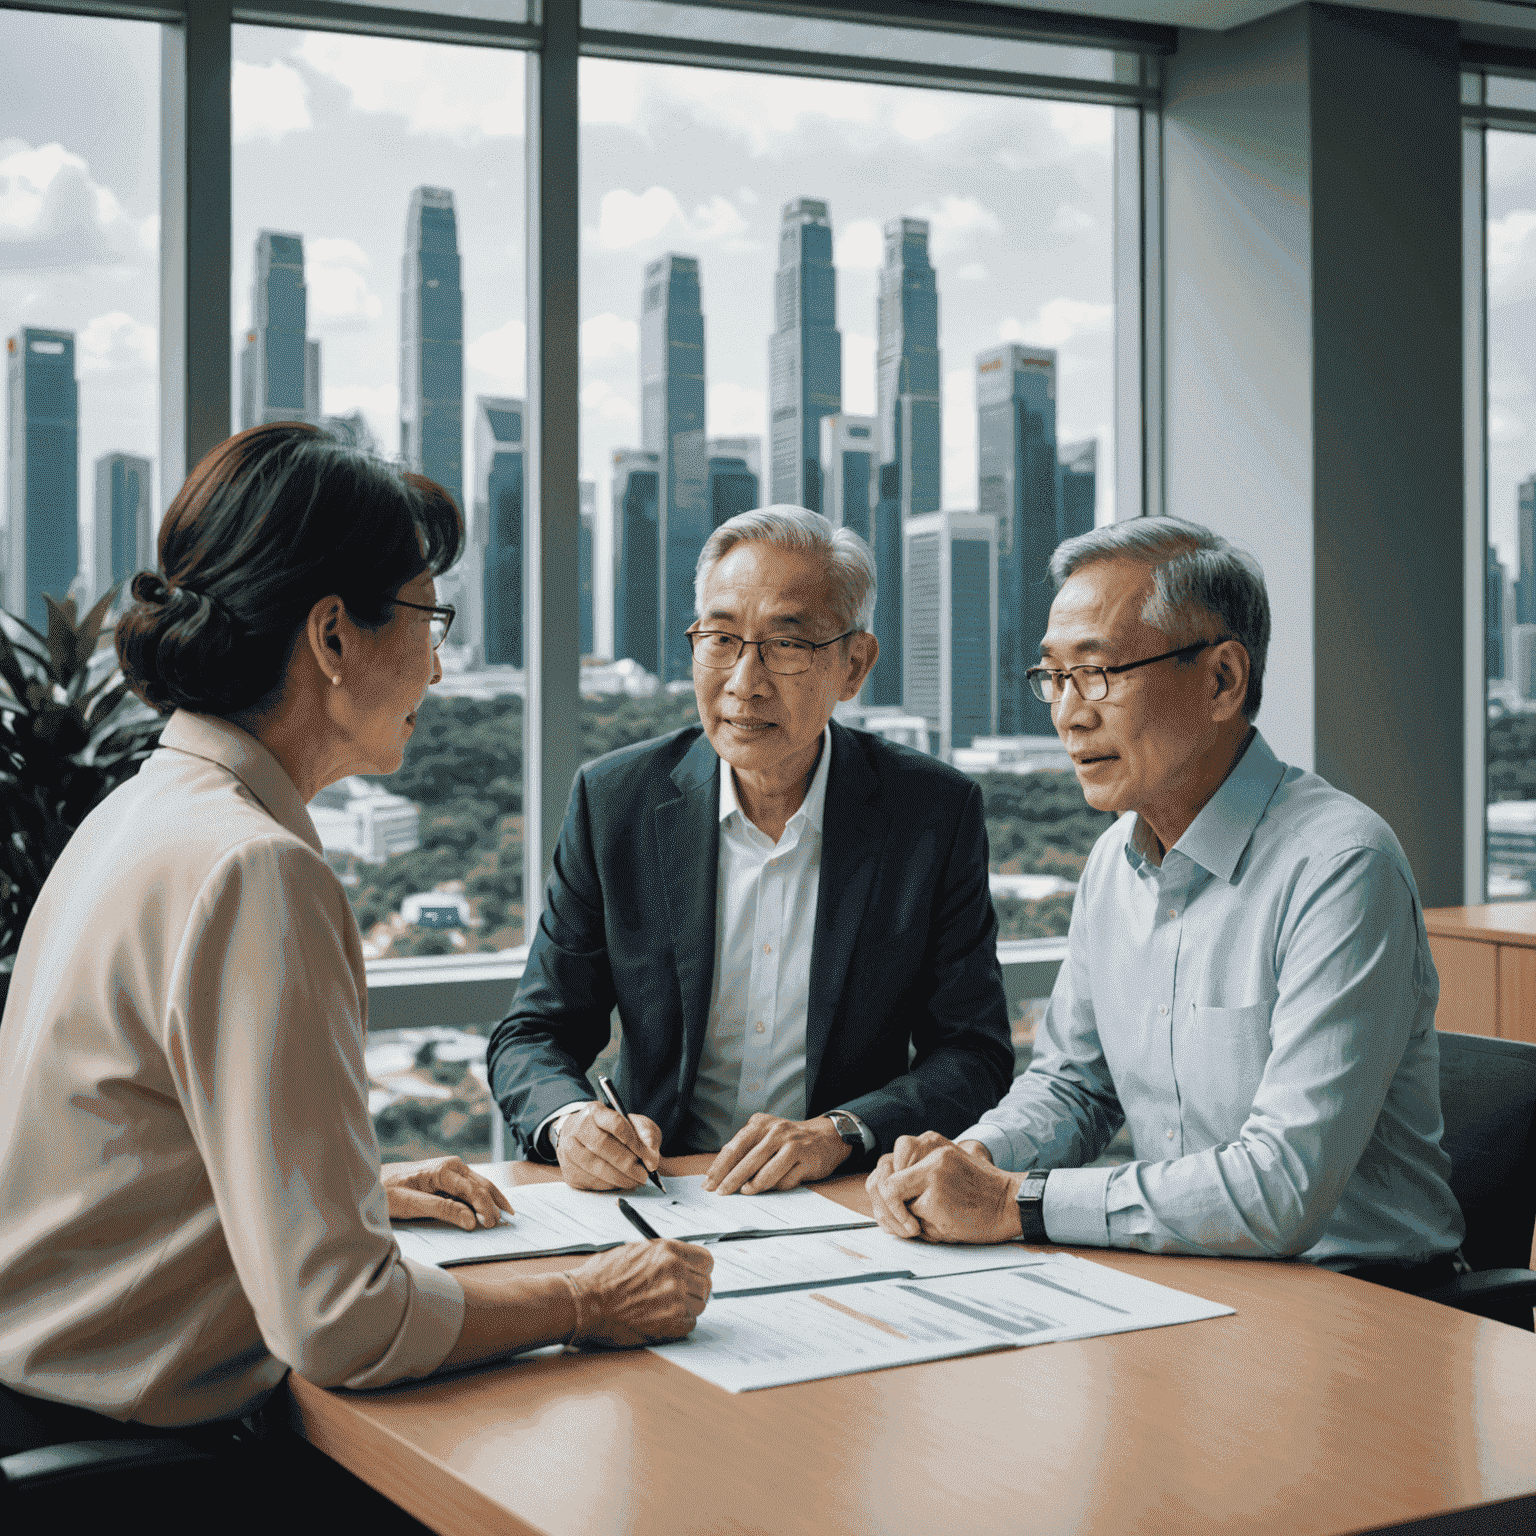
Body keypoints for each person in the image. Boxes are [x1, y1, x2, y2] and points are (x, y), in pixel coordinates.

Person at [0, 424, 710, 1523]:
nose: (437, 663)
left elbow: (115, 1154)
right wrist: (586, 1297)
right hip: (148, 1473)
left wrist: (336, 1197)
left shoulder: (143, 813)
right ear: (333, 636)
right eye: (429, 620)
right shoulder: (255, 869)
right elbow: (341, 1325)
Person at [866, 517, 1466, 1293]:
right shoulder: (1112, 864)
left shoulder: (1341, 867)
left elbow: (1281, 1188)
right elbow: (1075, 1088)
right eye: (1053, 676)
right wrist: (976, 1158)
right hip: (1193, 1280)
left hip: (1367, 1299)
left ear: (1222, 680)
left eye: (1100, 672)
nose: (1069, 713)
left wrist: (1016, 1201)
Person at [488, 506, 1013, 1196]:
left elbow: (973, 1052)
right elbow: (533, 1033)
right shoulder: (616, 801)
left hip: (841, 1197)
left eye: (786, 646)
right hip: (660, 1192)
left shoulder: (929, 815)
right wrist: (571, 1120)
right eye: (722, 638)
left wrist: (840, 1131)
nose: (744, 680)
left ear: (855, 665)